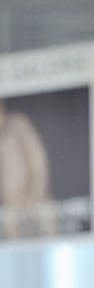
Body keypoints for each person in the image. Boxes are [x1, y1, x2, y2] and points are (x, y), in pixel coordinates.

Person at [0, 99, 50, 238]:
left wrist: (35, 193)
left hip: (33, 197)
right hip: (8, 204)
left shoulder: (18, 124)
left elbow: (38, 161)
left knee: (47, 223)